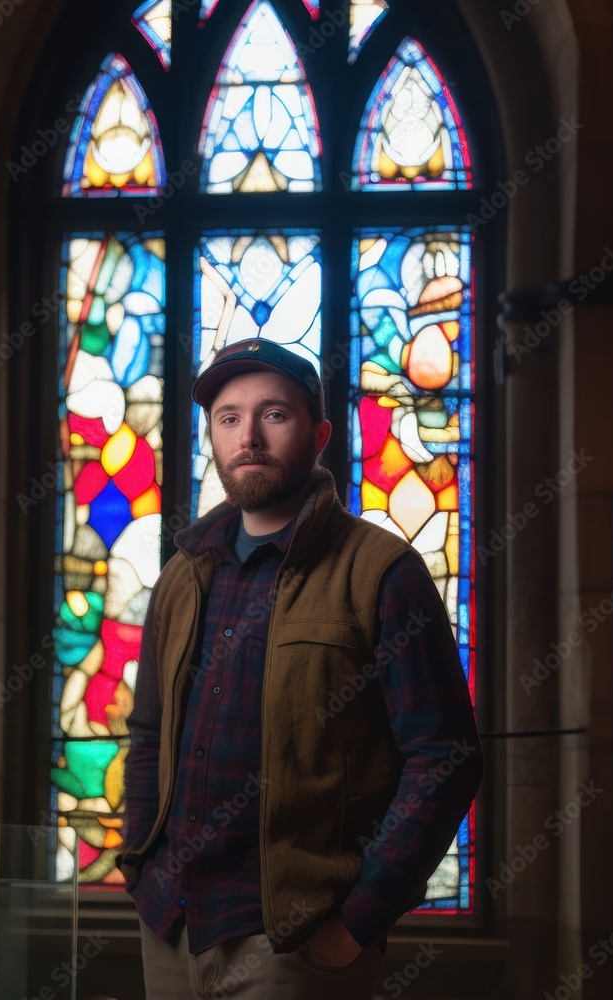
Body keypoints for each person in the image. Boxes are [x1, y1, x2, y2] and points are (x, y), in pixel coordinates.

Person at [118, 338, 483, 999]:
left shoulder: (381, 573)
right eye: (228, 418)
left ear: (317, 434)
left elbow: (444, 757)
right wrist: (140, 864)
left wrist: (355, 919)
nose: (247, 436)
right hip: (171, 921)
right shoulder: (182, 574)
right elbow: (147, 735)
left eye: (273, 415)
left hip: (294, 937)